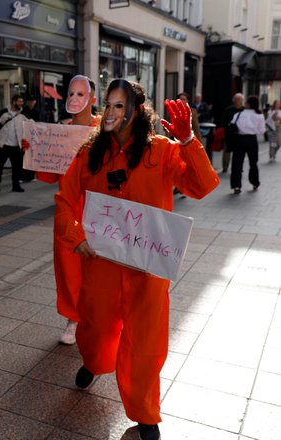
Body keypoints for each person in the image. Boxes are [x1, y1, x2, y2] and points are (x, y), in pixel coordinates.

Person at [55, 79, 218, 440]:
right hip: (101, 266)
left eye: (118, 105)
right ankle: (94, 363)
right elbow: (65, 200)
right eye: (108, 106)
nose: (110, 113)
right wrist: (76, 236)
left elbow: (202, 186)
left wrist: (188, 141)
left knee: (145, 342)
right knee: (95, 329)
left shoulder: (162, 150)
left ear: (137, 111)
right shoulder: (89, 153)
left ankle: (145, 413)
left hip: (148, 269)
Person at [25, 75, 100, 345]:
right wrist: (34, 152)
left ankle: (98, 316)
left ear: (92, 99)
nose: (74, 99)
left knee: (99, 267)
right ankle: (73, 317)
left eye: (81, 94)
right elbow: (47, 175)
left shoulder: (104, 129)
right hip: (67, 209)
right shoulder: (59, 132)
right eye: (71, 93)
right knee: (68, 267)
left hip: (98, 209)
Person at [230, 95, 266, 194]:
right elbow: (261, 131)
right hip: (252, 139)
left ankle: (236, 185)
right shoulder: (259, 115)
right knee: (253, 162)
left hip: (239, 139)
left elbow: (232, 125)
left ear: (248, 104)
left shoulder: (238, 114)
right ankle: (255, 182)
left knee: (237, 163)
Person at [0, 94, 29, 192]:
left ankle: (16, 186)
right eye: (19, 101)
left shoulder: (22, 115)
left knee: (16, 167)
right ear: (14, 102)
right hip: (4, 144)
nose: (21, 104)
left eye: (22, 102)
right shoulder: (4, 113)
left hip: (17, 145)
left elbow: (31, 124)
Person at [220, 93, 244, 173]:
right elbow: (223, 121)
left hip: (240, 134)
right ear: (233, 100)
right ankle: (225, 167)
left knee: (239, 152)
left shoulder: (244, 110)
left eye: (239, 100)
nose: (237, 101)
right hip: (229, 134)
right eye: (236, 99)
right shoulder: (229, 109)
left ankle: (238, 167)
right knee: (227, 151)